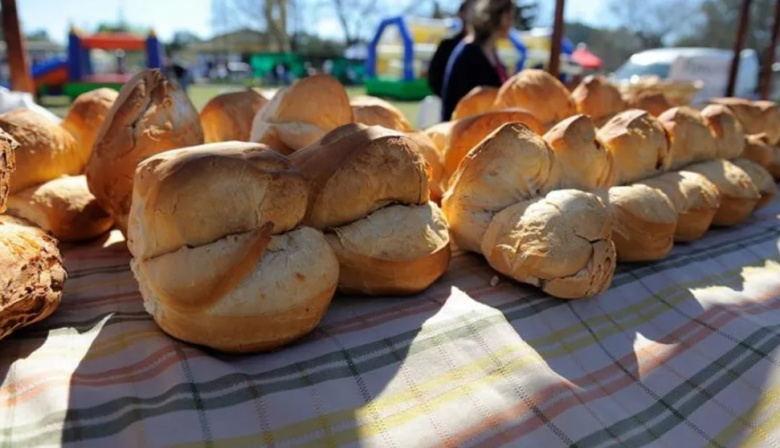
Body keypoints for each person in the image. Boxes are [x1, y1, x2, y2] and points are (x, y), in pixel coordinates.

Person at [440, 0, 515, 121]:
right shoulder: (469, 53)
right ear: (500, 16)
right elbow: (467, 105)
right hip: (463, 131)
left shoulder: (491, 51)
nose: (512, 22)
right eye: (510, 16)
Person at [427, 0, 473, 98]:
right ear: (462, 14)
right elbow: (434, 77)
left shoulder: (487, 49)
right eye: (470, 10)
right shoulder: (448, 45)